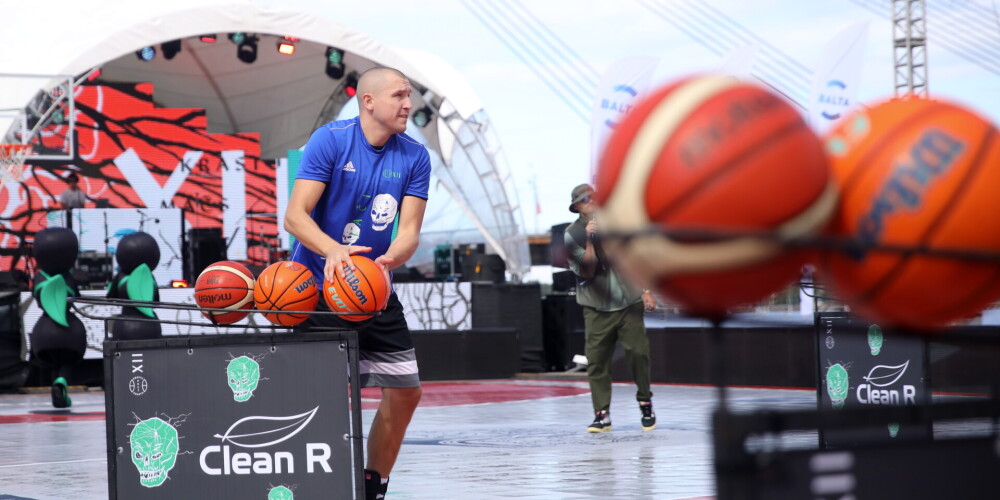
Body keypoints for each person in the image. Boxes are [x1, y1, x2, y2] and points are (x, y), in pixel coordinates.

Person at [284, 66, 430, 500]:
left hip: (372, 285)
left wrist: (395, 255)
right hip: (316, 286)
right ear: (368, 101)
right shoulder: (331, 140)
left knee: (406, 393)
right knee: (319, 401)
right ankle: (314, 486)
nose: (408, 104)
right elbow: (295, 216)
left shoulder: (415, 155)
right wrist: (333, 251)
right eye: (399, 96)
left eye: (410, 96)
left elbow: (409, 231)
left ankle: (373, 487)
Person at [563, 183, 657, 433]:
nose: (591, 201)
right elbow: (587, 269)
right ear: (577, 207)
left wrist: (646, 290)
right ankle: (601, 414)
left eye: (594, 196)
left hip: (629, 301)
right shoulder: (573, 234)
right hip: (596, 306)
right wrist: (592, 241)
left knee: (638, 352)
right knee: (597, 361)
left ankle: (645, 401)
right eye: (585, 199)